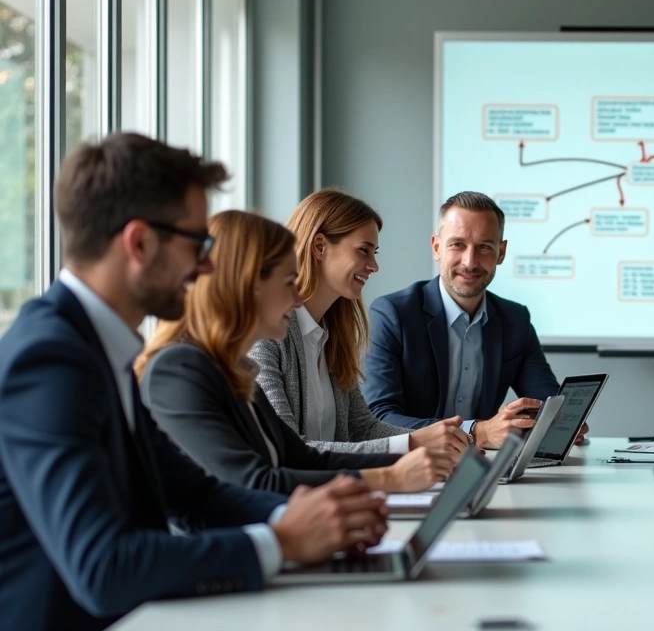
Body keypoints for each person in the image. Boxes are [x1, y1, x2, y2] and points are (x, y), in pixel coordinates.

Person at [0, 133, 386, 630]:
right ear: (139, 242)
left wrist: (321, 516)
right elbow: (102, 567)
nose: (208, 265)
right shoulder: (51, 360)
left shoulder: (95, 348)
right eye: (198, 244)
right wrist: (282, 541)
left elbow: (196, 495)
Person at [139, 210, 453, 495]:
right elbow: (256, 482)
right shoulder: (179, 370)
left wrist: (421, 460)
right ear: (248, 285)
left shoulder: (236, 370)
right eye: (289, 282)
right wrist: (391, 477)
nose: (298, 299)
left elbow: (304, 459)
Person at [249, 188, 468, 458]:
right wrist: (413, 444)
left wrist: (432, 440)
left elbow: (361, 429)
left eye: (374, 253)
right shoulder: (266, 335)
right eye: (364, 251)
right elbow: (288, 449)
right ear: (319, 247)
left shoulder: (332, 336)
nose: (374, 266)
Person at [362, 191, 578, 450]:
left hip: (478, 468)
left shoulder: (515, 319)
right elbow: (379, 418)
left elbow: (545, 400)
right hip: (412, 466)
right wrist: (477, 432)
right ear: (437, 247)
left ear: (501, 252)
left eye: (485, 247)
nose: (470, 261)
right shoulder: (392, 314)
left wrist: (560, 423)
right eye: (457, 244)